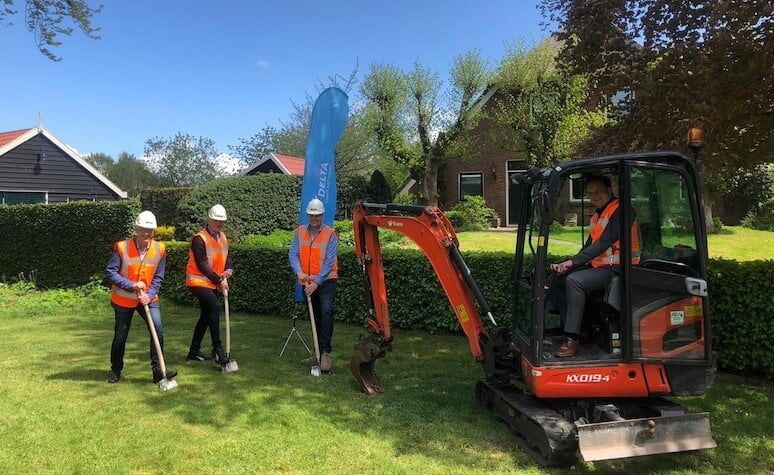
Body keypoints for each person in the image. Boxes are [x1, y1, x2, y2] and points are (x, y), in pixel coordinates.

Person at [548, 175, 640, 357]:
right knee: (558, 278)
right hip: (601, 267)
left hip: (620, 269)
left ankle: (572, 339)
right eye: (590, 193)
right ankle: (578, 328)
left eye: (598, 191)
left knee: (575, 280)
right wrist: (566, 264)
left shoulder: (622, 211)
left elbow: (604, 243)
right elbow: (589, 247)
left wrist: (572, 263)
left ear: (609, 190)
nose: (594, 195)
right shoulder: (598, 215)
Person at [106, 210, 176, 384]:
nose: (146, 233)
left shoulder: (160, 250)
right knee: (120, 336)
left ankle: (158, 371)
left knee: (157, 330)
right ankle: (115, 370)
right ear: (136, 228)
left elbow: (158, 277)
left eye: (150, 230)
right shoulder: (122, 247)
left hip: (148, 299)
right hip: (123, 300)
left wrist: (150, 295)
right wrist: (132, 285)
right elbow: (110, 272)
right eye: (143, 229)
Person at [289, 198, 339, 372]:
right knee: (314, 316)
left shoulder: (330, 234)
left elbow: (329, 261)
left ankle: (325, 353)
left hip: (326, 281)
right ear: (308, 214)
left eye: (317, 215)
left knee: (326, 312)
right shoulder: (300, 232)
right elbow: (293, 254)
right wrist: (300, 273)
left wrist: (316, 282)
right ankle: (317, 350)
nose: (314, 218)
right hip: (306, 281)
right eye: (312, 215)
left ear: (322, 215)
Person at [185, 204, 234, 363]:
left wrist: (229, 269)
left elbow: (228, 256)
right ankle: (218, 349)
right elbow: (202, 265)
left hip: (213, 282)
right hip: (197, 281)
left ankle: (194, 351)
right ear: (209, 219)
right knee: (214, 307)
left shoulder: (223, 236)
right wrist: (219, 279)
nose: (219, 224)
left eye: (221, 221)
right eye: (216, 220)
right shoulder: (199, 239)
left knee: (206, 316)